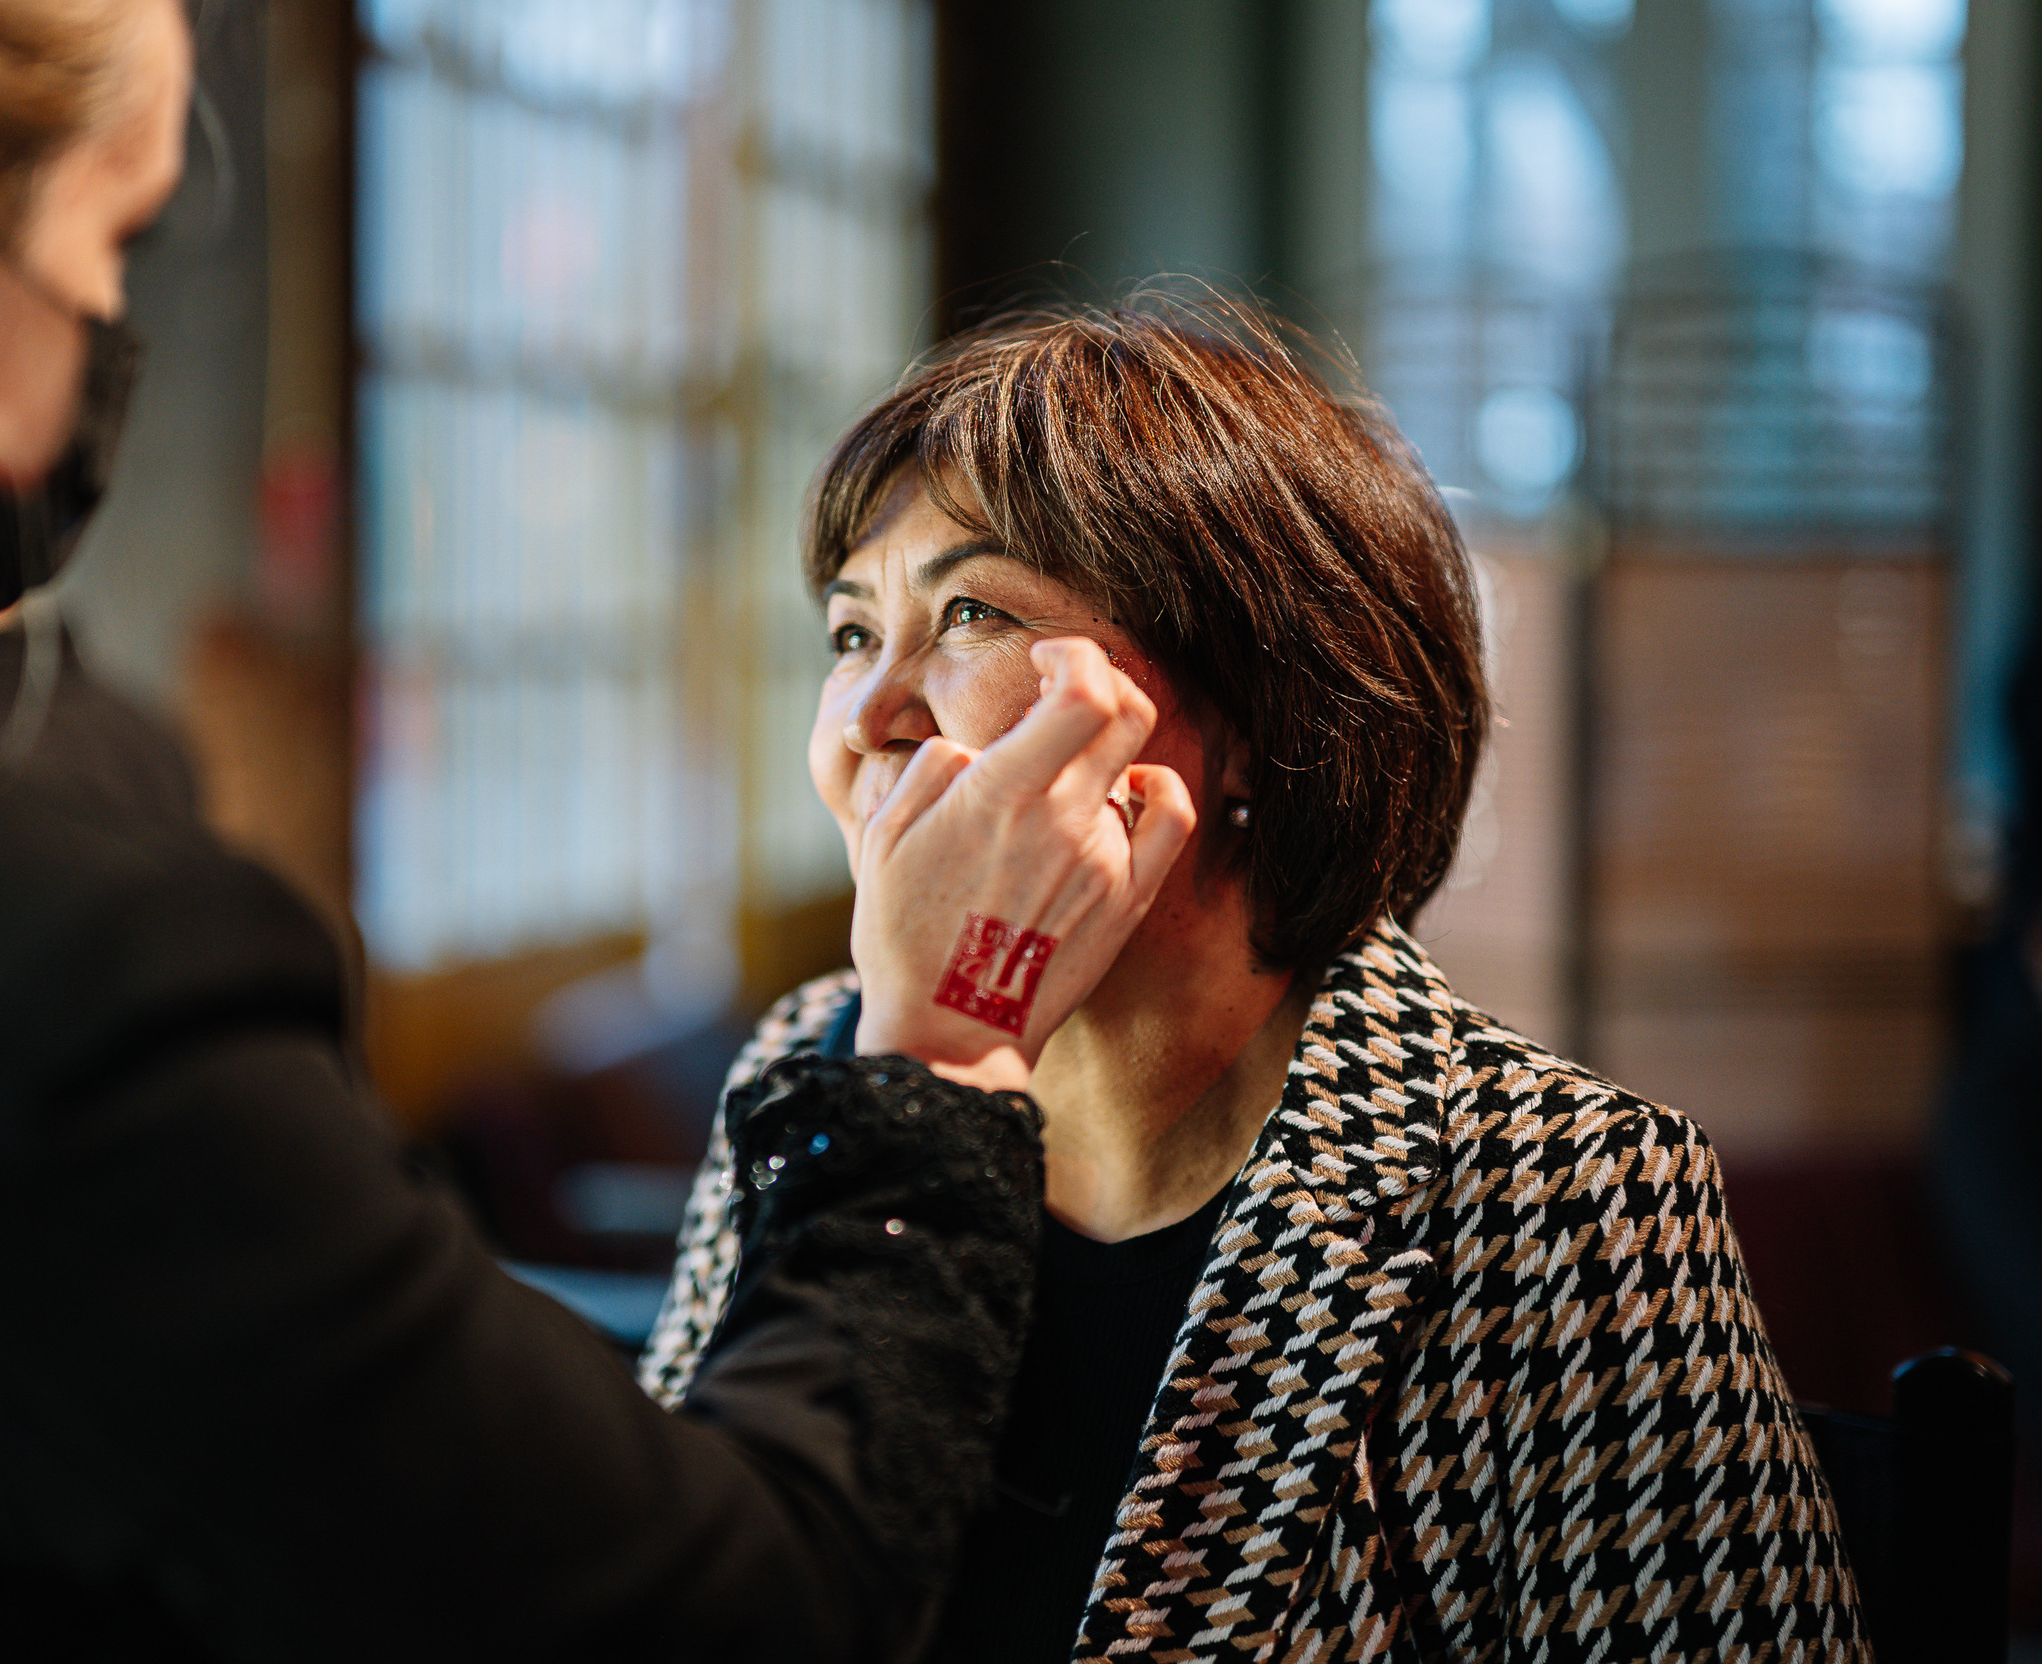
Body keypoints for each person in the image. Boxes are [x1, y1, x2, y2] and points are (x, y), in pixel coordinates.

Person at [0, 0, 1202, 1657]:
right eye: (111, 241)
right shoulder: (50, 984)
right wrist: (944, 1052)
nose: (106, 328)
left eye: (972, 612)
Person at [642, 297, 1870, 1662]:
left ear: (1252, 720)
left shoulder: (1560, 1195)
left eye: (972, 613)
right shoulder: (818, 1065)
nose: (868, 718)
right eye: (852, 632)